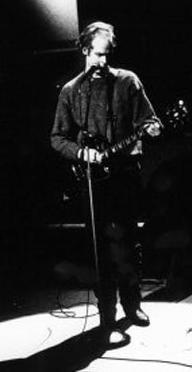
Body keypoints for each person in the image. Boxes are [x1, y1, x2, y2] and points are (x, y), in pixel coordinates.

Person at [50, 21, 162, 346]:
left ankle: (133, 305)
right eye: (97, 55)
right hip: (91, 182)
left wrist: (153, 129)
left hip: (124, 176)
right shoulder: (71, 91)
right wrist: (82, 153)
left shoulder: (128, 81)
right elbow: (57, 138)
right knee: (101, 250)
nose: (102, 62)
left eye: (107, 55)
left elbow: (149, 120)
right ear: (85, 50)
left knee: (128, 243)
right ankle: (107, 317)